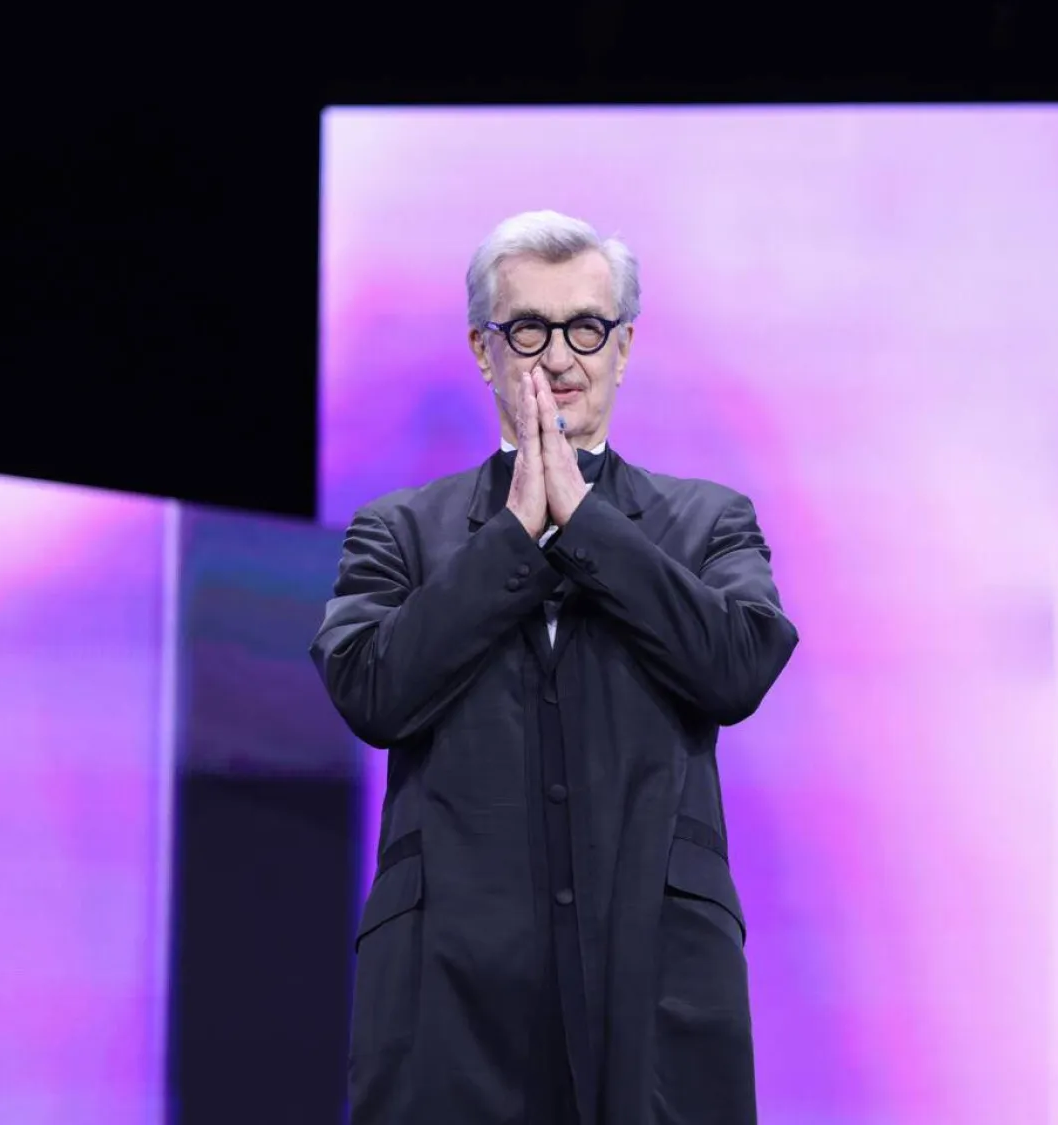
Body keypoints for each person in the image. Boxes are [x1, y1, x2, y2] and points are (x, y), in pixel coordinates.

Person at [310, 209, 799, 1125]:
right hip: (452, 987)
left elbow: (737, 666)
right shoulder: (399, 532)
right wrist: (514, 536)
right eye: (528, 329)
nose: (560, 357)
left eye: (587, 328)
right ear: (483, 349)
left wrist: (585, 523)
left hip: (654, 974)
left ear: (623, 348)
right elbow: (371, 689)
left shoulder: (706, 523)